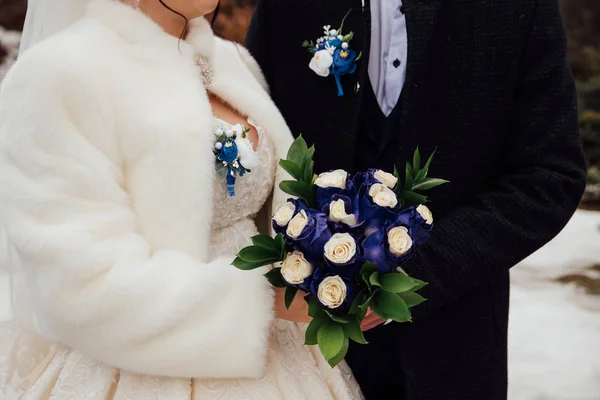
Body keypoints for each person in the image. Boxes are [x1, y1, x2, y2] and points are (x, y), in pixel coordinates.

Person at [0, 0, 365, 398]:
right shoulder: (60, 74)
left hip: (286, 359)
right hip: (139, 368)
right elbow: (78, 288)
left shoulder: (232, 62)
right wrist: (269, 299)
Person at [246, 0, 588, 398]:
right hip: (303, 357)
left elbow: (550, 175)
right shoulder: (284, 8)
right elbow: (260, 155)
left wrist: (416, 273)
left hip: (455, 346)